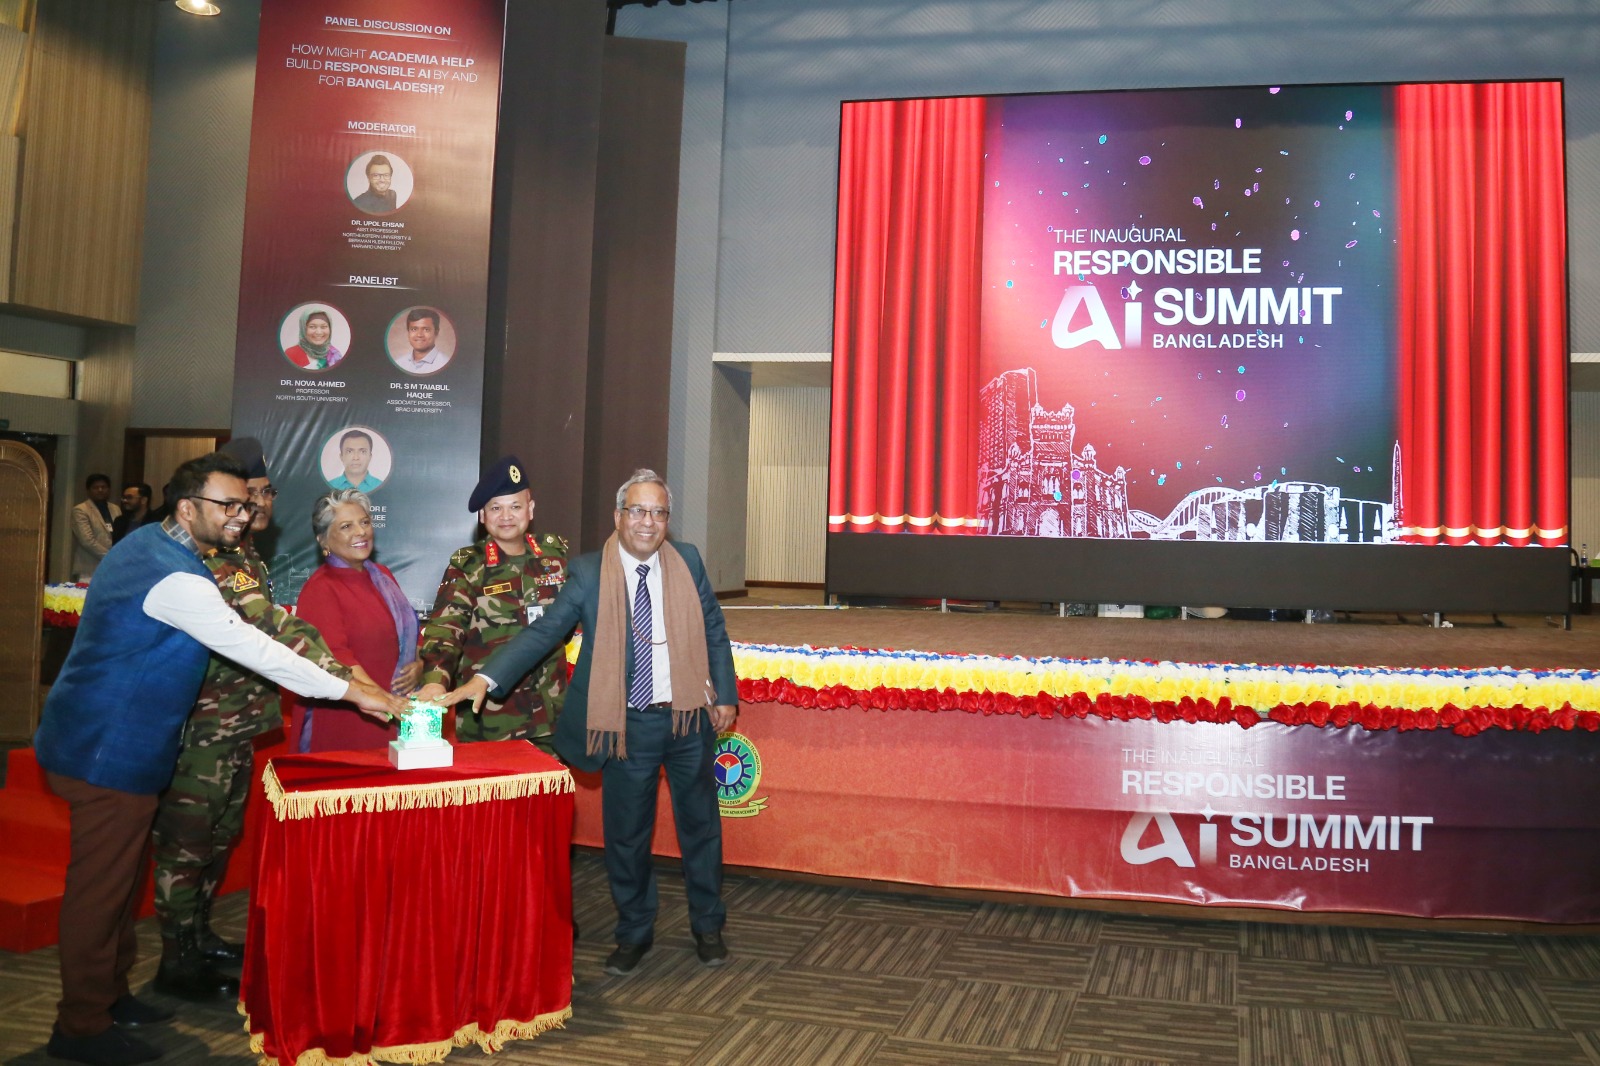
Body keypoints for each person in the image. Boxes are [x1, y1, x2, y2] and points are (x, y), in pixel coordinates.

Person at [32, 452, 406, 1066]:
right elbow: (255, 647)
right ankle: (81, 1026)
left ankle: (111, 997)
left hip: (125, 746)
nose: (241, 514)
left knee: (122, 887)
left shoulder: (156, 544)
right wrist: (353, 691)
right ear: (187, 508)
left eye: (245, 502)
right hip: (107, 749)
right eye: (227, 504)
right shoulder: (175, 576)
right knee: (100, 893)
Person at [443, 469, 738, 977]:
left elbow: (713, 626)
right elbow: (545, 634)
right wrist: (486, 678)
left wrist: (725, 694)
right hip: (625, 724)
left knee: (701, 829)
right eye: (638, 511)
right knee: (627, 837)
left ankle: (708, 926)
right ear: (618, 516)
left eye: (659, 512)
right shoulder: (587, 572)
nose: (648, 522)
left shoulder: (687, 560)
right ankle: (634, 932)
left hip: (689, 717)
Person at [150, 440, 373, 1004]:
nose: (258, 505)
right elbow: (270, 628)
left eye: (265, 493)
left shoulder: (247, 556)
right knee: (186, 847)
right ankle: (176, 962)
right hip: (200, 729)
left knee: (220, 838)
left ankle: (199, 939)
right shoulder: (202, 558)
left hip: (238, 724)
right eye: (248, 496)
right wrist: (352, 684)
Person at [416, 456, 569, 749]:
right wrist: (436, 680)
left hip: (553, 714)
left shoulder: (555, 558)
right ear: (482, 516)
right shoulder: (468, 566)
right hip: (491, 720)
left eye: (515, 506)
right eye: (496, 508)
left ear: (531, 509)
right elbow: (445, 631)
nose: (506, 516)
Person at [286, 489, 421, 752]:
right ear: (323, 540)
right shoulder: (320, 588)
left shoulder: (382, 576)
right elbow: (337, 658)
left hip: (395, 710)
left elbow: (409, 633)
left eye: (365, 522)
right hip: (348, 718)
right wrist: (381, 698)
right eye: (346, 526)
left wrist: (418, 665)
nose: (361, 532)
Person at [71, 474, 120, 580]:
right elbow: (87, 541)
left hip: (113, 567)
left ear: (109, 489)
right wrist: (110, 556)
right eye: (95, 487)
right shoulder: (81, 510)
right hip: (89, 567)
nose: (100, 490)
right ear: (88, 491)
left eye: (103, 487)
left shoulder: (115, 508)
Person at [394, 307, 450, 374]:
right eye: (414, 329)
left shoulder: (445, 364)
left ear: (436, 333)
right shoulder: (399, 363)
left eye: (426, 329)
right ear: (408, 332)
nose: (419, 335)